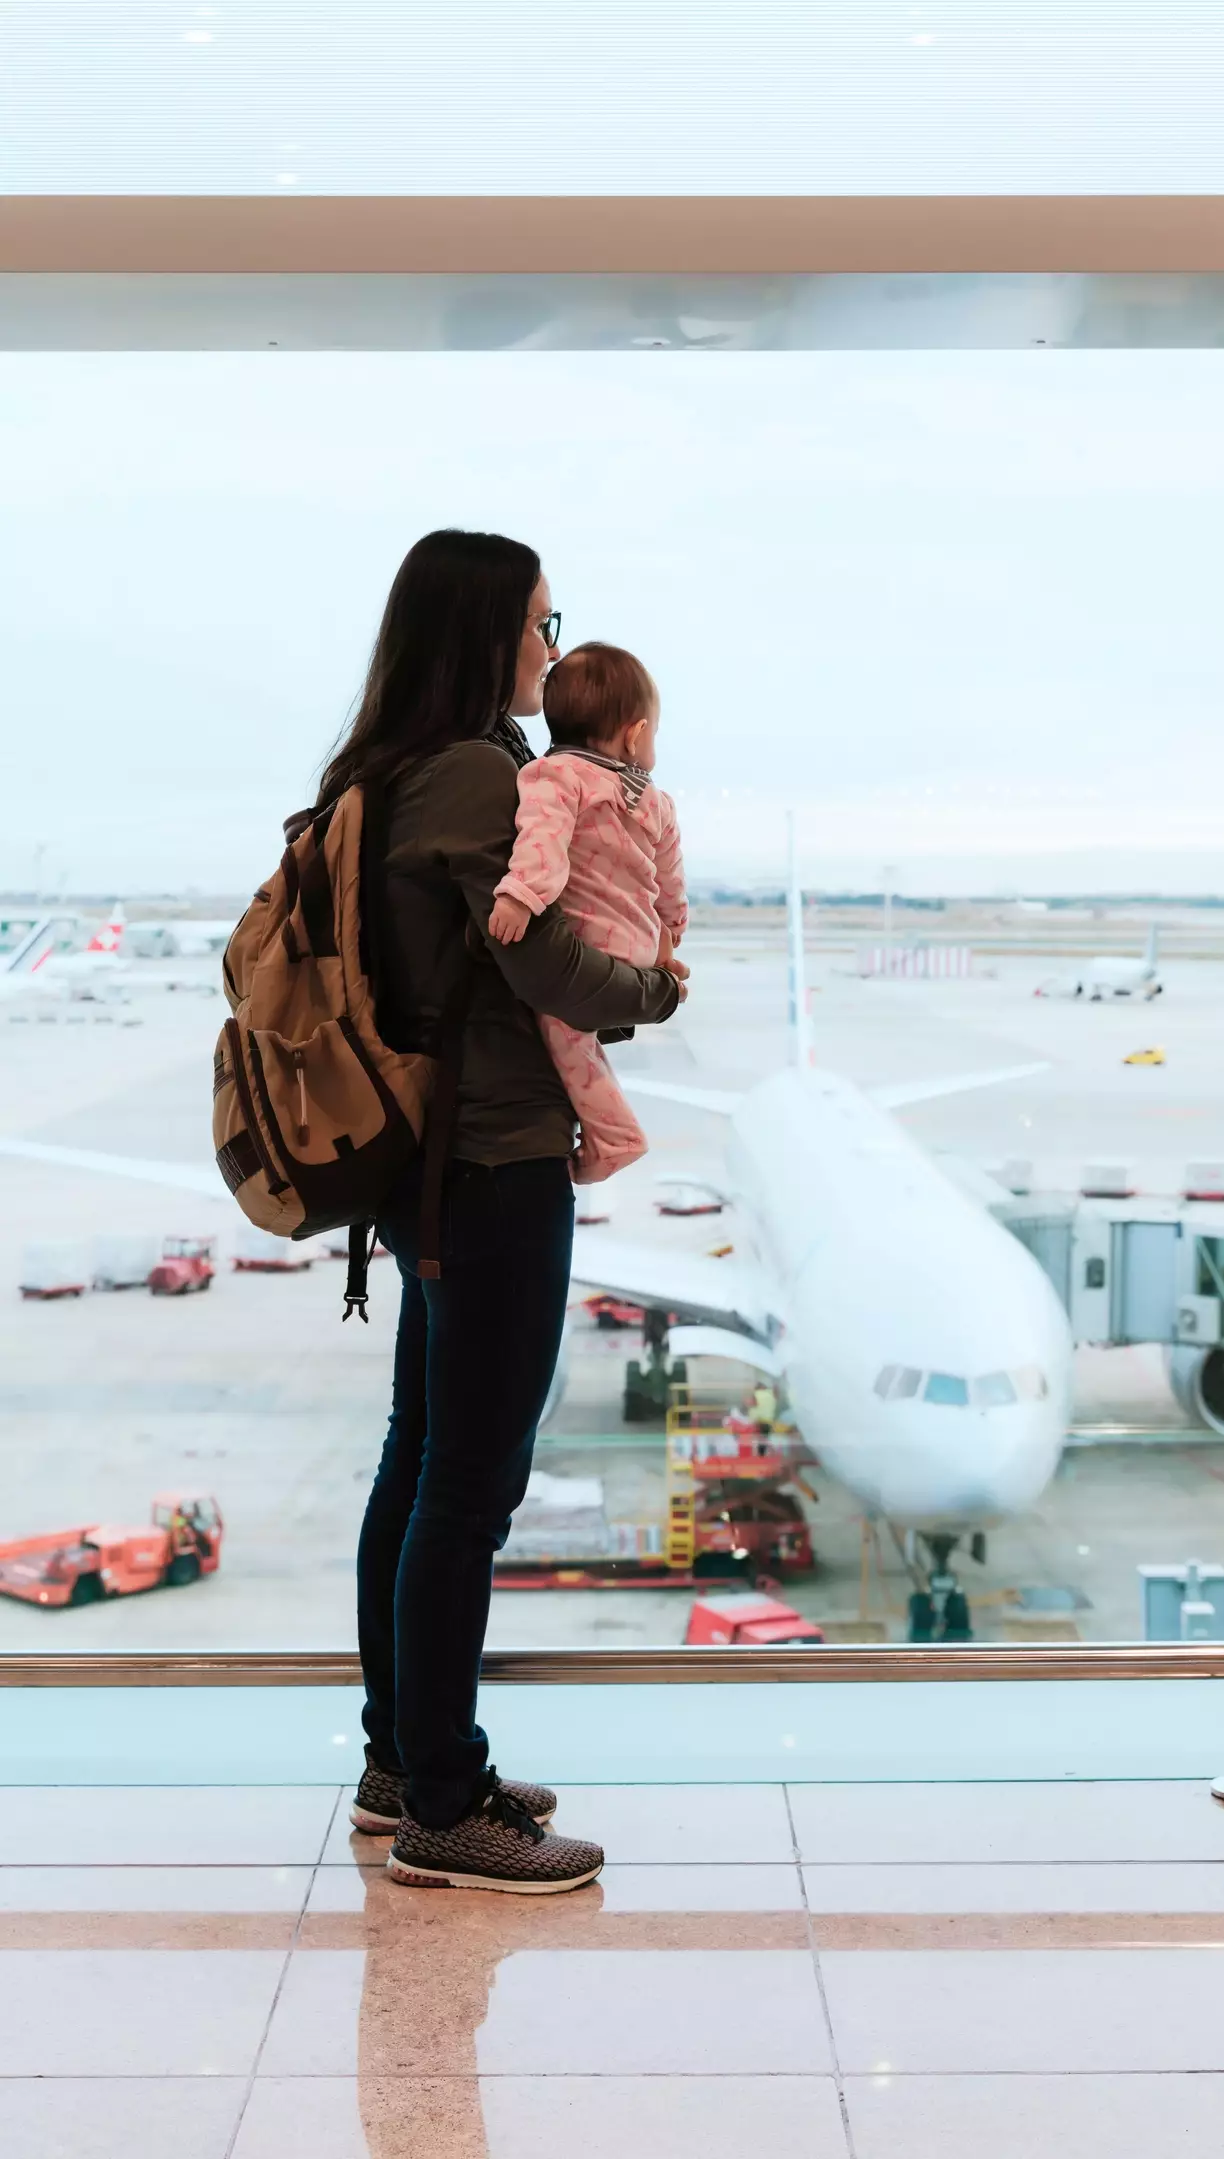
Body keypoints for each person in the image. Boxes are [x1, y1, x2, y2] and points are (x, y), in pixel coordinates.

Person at [325, 530, 687, 1892]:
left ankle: (401, 1758)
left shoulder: (391, 764)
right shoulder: (485, 773)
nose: (553, 644)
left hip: (431, 1160)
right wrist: (653, 991)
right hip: (493, 1157)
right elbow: (533, 956)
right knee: (468, 1483)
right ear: (489, 630)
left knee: (419, 1457)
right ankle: (444, 1799)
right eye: (543, 619)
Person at [487, 640, 686, 1183]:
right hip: (639, 944)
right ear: (636, 734)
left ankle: (615, 1135)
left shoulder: (555, 777)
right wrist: (670, 935)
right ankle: (613, 1130)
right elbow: (669, 878)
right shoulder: (654, 800)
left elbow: (541, 843)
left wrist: (520, 895)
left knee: (564, 1037)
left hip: (590, 939)